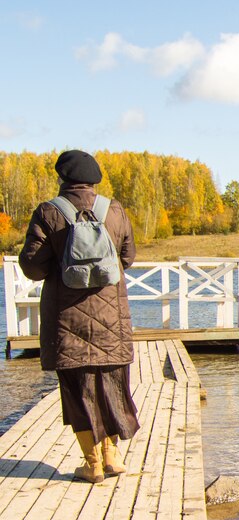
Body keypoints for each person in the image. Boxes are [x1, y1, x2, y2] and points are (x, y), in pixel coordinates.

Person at [19, 149, 139, 483]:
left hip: (67, 320)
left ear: (63, 178)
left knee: (77, 391)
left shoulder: (49, 212)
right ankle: (112, 455)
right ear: (94, 179)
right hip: (112, 318)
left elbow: (32, 267)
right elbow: (127, 258)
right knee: (113, 387)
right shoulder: (113, 210)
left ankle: (93, 464)